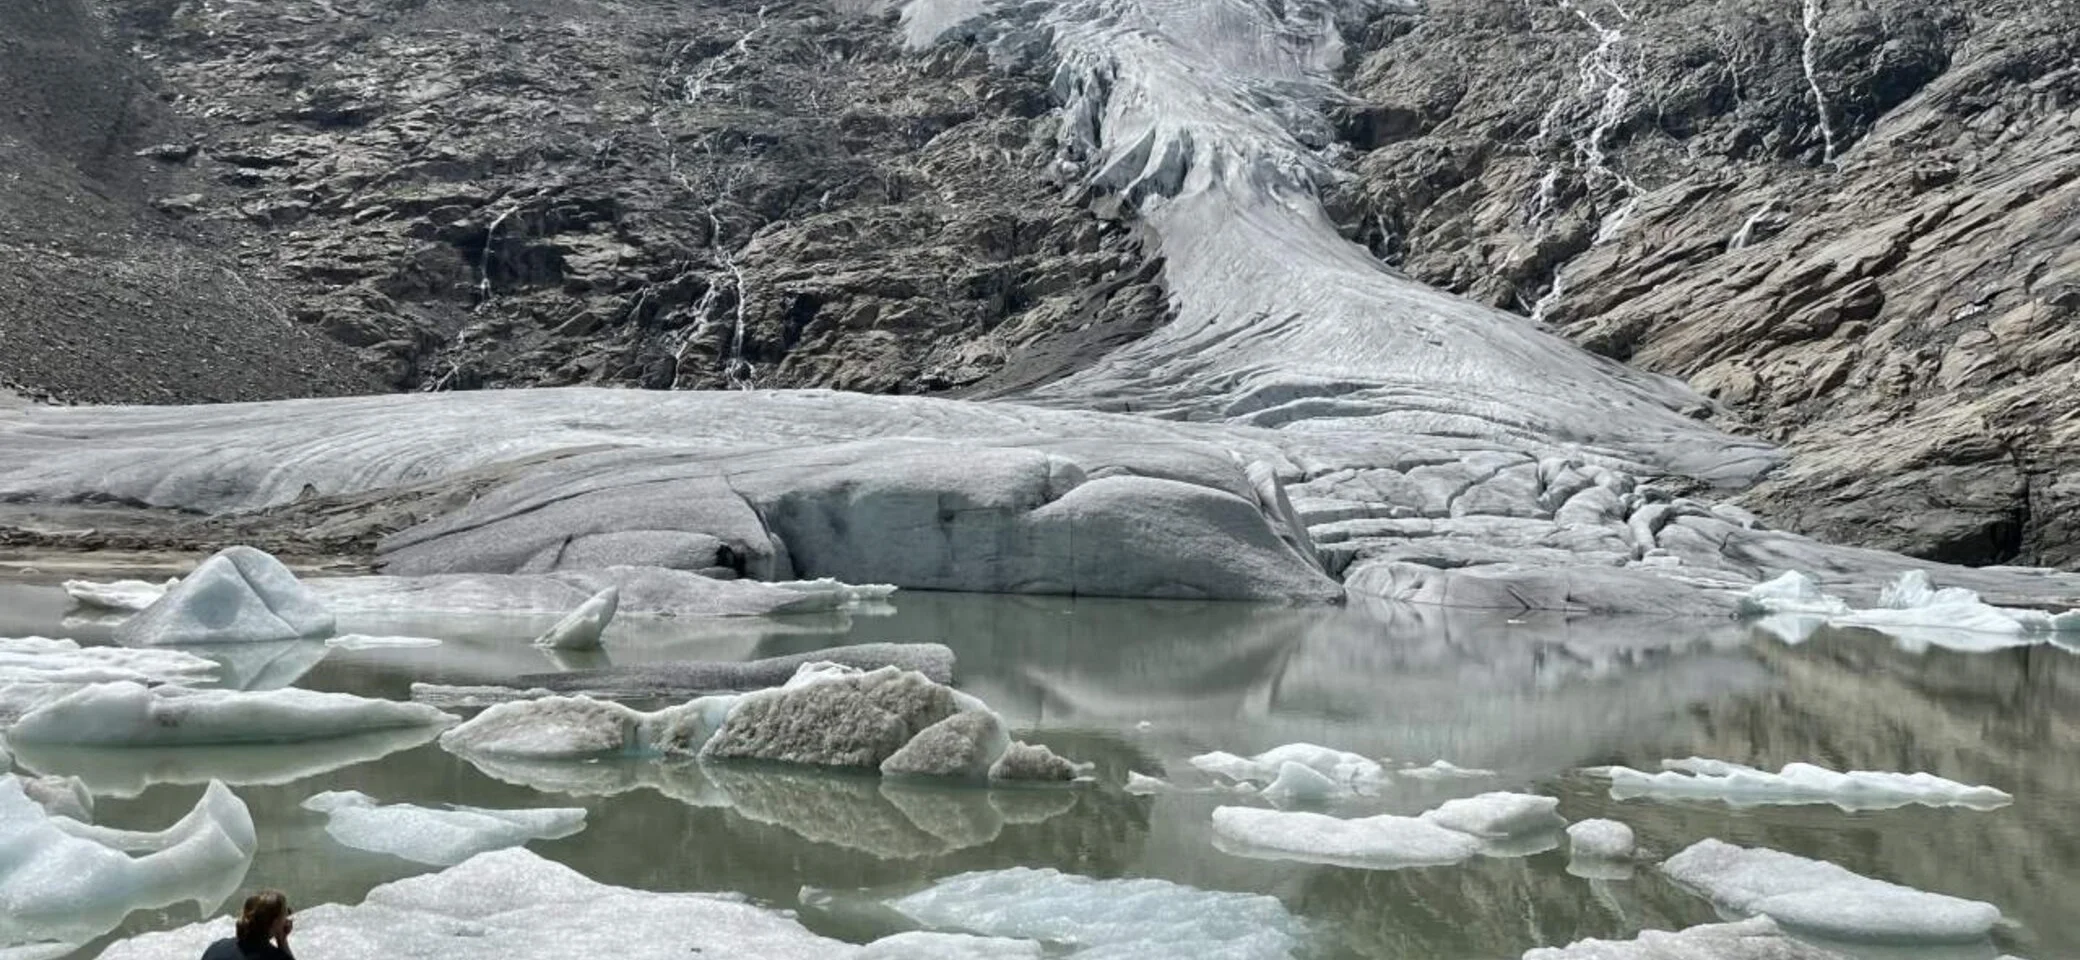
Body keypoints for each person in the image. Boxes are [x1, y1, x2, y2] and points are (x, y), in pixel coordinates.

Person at [200, 891, 294, 960]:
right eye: (286, 913)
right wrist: (282, 941)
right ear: (275, 922)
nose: (287, 917)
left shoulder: (216, 947)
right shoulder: (275, 957)